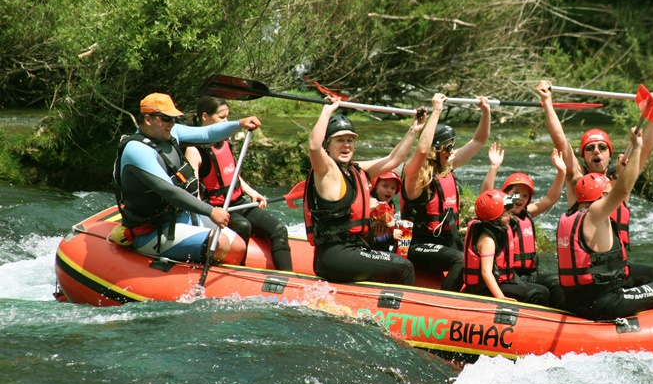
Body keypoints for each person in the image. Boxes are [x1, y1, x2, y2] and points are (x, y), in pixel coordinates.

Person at [536, 79, 653, 284]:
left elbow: (646, 149)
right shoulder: (576, 181)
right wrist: (547, 101)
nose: (596, 151)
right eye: (590, 148)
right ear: (584, 156)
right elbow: (560, 140)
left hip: (616, 268)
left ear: (609, 153)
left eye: (602, 147)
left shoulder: (621, 179)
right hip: (589, 274)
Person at [113, 92, 261, 264]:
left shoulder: (171, 133)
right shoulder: (137, 150)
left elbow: (206, 134)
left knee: (238, 246)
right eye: (167, 118)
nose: (171, 123)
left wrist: (239, 124)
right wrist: (210, 211)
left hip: (183, 216)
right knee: (220, 244)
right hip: (153, 230)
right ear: (148, 119)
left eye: (173, 119)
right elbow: (169, 191)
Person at [556, 127, 653, 320]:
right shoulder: (597, 212)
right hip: (603, 302)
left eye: (602, 147)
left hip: (575, 299)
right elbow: (623, 189)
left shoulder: (571, 216)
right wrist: (636, 148)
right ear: (603, 196)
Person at [304, 97, 426, 285]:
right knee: (404, 267)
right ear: (327, 145)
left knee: (395, 262)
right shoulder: (326, 171)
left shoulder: (355, 169)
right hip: (335, 255)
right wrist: (327, 111)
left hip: (353, 250)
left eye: (350, 140)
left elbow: (393, 160)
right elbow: (313, 146)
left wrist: (413, 130)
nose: (346, 145)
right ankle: (394, 312)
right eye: (340, 140)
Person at [184, 96, 292, 271]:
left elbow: (232, 174)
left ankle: (286, 278)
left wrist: (251, 192)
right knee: (243, 226)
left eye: (228, 116)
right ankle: (237, 272)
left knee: (279, 229)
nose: (226, 121)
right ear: (205, 116)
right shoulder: (194, 150)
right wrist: (206, 214)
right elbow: (193, 191)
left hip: (238, 201)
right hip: (217, 208)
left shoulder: (225, 141)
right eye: (222, 117)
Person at [401, 94, 492, 291]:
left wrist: (485, 111)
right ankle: (445, 300)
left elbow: (479, 140)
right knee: (460, 259)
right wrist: (436, 111)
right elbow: (422, 151)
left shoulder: (446, 168)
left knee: (479, 257)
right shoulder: (414, 176)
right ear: (436, 149)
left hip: (446, 243)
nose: (452, 151)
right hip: (418, 245)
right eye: (448, 146)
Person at [480, 143, 567, 308]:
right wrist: (494, 167)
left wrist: (561, 172)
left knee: (558, 282)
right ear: (505, 195)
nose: (520, 198)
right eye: (515, 194)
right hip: (511, 275)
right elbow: (486, 195)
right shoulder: (499, 215)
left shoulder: (526, 213)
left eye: (525, 195)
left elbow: (550, 199)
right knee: (547, 287)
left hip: (528, 274)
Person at [462, 189, 550, 305]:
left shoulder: (499, 231)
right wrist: (500, 297)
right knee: (537, 294)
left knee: (544, 290)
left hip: (503, 281)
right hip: (483, 288)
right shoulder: (488, 240)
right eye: (508, 213)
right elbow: (486, 272)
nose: (511, 217)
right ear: (496, 216)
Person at [369, 170, 403, 252]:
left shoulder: (390, 206)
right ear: (375, 186)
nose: (389, 190)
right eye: (385, 186)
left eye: (393, 188)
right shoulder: (370, 205)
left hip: (383, 247)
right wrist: (390, 237)